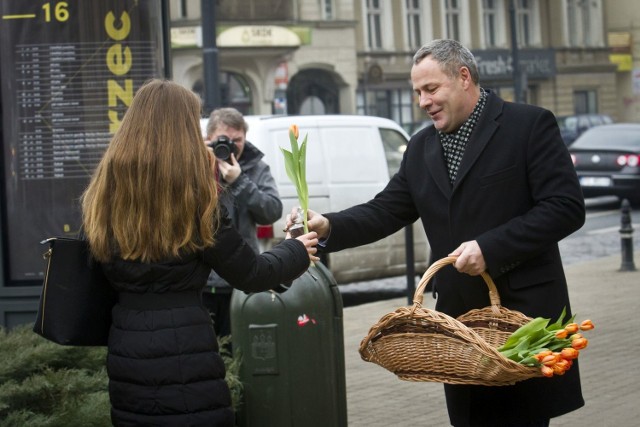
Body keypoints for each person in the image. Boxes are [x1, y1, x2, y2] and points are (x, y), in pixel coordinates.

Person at [288, 39, 585, 426]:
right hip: (457, 330)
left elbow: (565, 208)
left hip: (521, 324)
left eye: (431, 89)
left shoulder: (528, 125)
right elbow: (385, 210)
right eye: (417, 92)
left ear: (463, 77)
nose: (423, 101)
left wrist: (490, 248)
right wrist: (330, 225)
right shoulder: (421, 146)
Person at [81, 79, 318, 426]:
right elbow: (251, 273)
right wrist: (296, 249)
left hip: (126, 347)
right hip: (186, 350)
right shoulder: (192, 199)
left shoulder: (104, 195)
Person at [202, 107, 282, 337]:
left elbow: (272, 210)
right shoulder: (195, 164)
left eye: (238, 139)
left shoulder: (256, 167)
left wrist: (239, 181)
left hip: (241, 276)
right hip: (202, 277)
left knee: (239, 348)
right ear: (209, 139)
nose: (231, 145)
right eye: (224, 140)